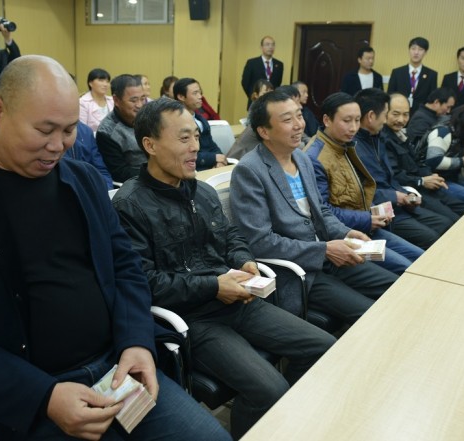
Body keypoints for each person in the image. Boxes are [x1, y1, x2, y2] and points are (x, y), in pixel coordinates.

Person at [0, 55, 231, 441]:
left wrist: (136, 341)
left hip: (115, 371)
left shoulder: (83, 179)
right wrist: (44, 396)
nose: (58, 147)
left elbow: (125, 267)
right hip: (26, 394)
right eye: (44, 130)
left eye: (70, 130)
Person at [112, 97, 335, 440]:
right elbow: (146, 283)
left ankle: (279, 422)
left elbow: (231, 236)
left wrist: (245, 260)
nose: (195, 147)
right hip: (194, 320)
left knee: (324, 347)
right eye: (183, 138)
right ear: (150, 145)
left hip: (238, 300)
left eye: (196, 136)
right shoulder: (130, 205)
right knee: (269, 389)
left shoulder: (201, 191)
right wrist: (215, 286)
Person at [229, 91, 397, 322]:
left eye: (299, 115)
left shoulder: (302, 158)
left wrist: (345, 232)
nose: (299, 125)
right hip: (299, 271)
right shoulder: (249, 171)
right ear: (264, 131)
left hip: (330, 255)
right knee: (371, 312)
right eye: (287, 120)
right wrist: (324, 250)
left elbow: (321, 211)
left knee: (395, 287)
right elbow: (260, 242)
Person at [304, 92, 423, 275]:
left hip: (366, 226)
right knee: (410, 270)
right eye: (347, 121)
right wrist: (367, 219)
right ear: (327, 120)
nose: (353, 127)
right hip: (345, 235)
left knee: (422, 259)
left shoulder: (345, 145)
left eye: (357, 120)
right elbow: (322, 213)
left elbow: (357, 190)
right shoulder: (316, 158)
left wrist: (374, 210)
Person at [353, 88, 453, 250]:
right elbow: (363, 191)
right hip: (381, 210)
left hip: (398, 203)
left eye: (406, 114)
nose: (387, 120)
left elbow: (390, 178)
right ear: (371, 116)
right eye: (387, 114)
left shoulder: (377, 139)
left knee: (446, 223)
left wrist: (406, 195)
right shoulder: (355, 147)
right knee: (433, 238)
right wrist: (398, 196)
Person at [381, 93, 464, 214]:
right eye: (396, 114)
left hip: (425, 185)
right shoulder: (383, 139)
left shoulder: (401, 135)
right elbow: (395, 175)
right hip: (411, 191)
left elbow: (417, 162)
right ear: (384, 113)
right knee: (450, 220)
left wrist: (431, 176)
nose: (401, 120)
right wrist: (422, 181)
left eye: (406, 114)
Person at [96, 74, 147, 183]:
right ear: (116, 100)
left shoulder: (150, 116)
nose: (139, 105)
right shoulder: (107, 131)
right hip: (138, 183)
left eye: (143, 99)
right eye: (133, 100)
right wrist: (156, 173)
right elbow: (120, 173)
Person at [173, 77, 226, 170]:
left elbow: (212, 145)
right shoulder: (176, 123)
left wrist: (220, 161)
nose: (200, 96)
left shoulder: (200, 119)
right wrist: (213, 158)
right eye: (195, 93)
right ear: (181, 97)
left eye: (200, 92)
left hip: (211, 166)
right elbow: (184, 154)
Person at [387, 37, 438, 114]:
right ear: (409, 50)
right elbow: (390, 95)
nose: (416, 52)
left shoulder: (432, 75)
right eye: (413, 49)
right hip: (399, 113)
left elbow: (431, 100)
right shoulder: (397, 72)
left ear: (425, 52)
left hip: (420, 114)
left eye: (420, 49)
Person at [228, 79, 274, 160]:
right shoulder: (258, 110)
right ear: (256, 95)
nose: (269, 97)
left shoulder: (269, 109)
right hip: (243, 155)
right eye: (265, 93)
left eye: (271, 93)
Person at [66, 120, 114, 189]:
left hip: (91, 189)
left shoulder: (86, 131)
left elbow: (101, 170)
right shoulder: (55, 139)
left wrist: (106, 190)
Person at [241, 36, 283, 109]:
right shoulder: (252, 63)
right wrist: (254, 96)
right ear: (261, 47)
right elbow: (245, 82)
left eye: (273, 44)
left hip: (272, 103)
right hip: (255, 102)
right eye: (267, 44)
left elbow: (278, 84)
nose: (270, 47)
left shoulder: (279, 64)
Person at [79, 68, 114, 133]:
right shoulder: (82, 102)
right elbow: (82, 129)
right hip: (91, 138)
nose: (105, 84)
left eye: (107, 81)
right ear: (90, 83)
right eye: (101, 80)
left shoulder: (112, 100)